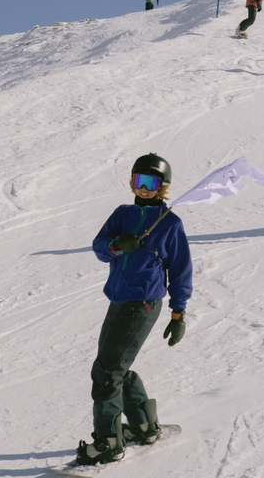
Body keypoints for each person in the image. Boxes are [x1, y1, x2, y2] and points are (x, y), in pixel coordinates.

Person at [75, 153, 192, 466]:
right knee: (113, 366)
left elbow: (181, 271)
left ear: (163, 186)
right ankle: (143, 426)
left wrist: (178, 313)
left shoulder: (170, 223)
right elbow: (100, 247)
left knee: (107, 373)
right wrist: (116, 245)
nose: (144, 188)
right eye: (139, 181)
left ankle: (109, 442)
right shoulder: (122, 214)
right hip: (118, 301)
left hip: (142, 305)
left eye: (151, 183)